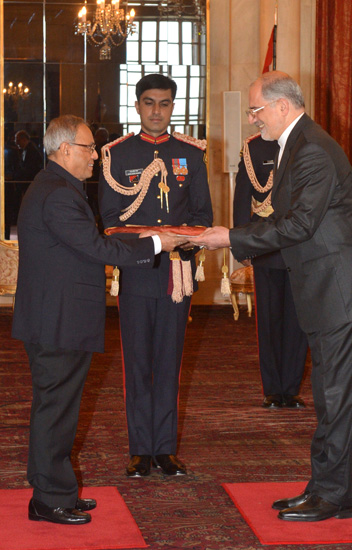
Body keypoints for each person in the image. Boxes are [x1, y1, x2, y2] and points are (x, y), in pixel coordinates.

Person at [189, 71, 352, 522]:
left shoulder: (312, 149)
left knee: (339, 396)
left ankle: (333, 493)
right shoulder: (298, 145)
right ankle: (328, 489)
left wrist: (231, 238)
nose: (251, 119)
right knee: (330, 393)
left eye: (256, 110)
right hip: (327, 290)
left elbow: (299, 225)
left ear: (283, 106)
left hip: (340, 291)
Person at [11, 115, 186, 525]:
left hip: (56, 319)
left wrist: (149, 240)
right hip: (57, 322)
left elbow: (94, 244)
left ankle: (56, 492)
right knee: (55, 412)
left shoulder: (57, 187)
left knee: (57, 410)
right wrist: (158, 242)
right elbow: (97, 249)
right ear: (65, 149)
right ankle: (49, 499)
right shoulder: (57, 194)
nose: (97, 155)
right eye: (90, 148)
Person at [99, 74, 213, 478]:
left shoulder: (191, 154)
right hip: (135, 273)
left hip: (177, 276)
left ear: (172, 107)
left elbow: (203, 219)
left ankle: (164, 450)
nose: (156, 111)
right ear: (136, 106)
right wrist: (154, 240)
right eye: (149, 103)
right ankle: (138, 450)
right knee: (137, 363)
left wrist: (180, 241)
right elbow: (111, 222)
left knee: (169, 361)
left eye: (164, 104)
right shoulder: (117, 154)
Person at [234, 133, 308, 408]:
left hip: (301, 247)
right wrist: (241, 244)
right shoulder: (254, 147)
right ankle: (272, 389)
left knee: (297, 323)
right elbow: (243, 196)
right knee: (269, 320)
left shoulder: (305, 142)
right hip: (266, 247)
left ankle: (291, 388)